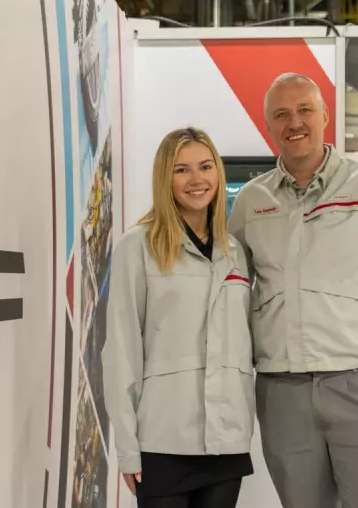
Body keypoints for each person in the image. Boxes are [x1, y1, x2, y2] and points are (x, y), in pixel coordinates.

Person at [228, 73, 358, 508]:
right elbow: (233, 295)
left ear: (324, 116)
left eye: (304, 110)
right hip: (283, 392)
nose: (294, 122)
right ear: (268, 125)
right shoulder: (252, 202)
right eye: (281, 114)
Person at [102, 127, 255, 508]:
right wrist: (127, 447)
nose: (196, 179)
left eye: (205, 166)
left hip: (226, 439)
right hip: (163, 439)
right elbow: (121, 349)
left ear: (218, 172)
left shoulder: (234, 251)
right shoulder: (138, 247)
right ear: (164, 178)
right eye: (181, 169)